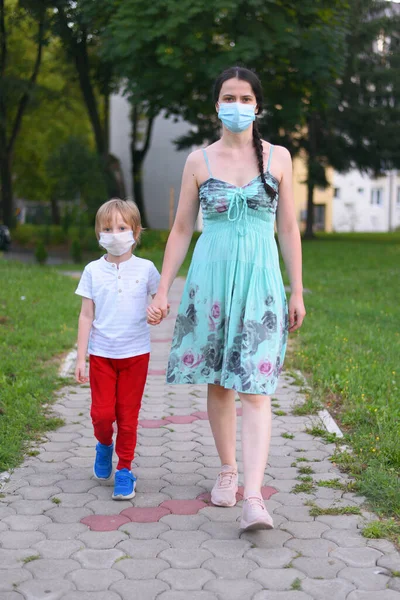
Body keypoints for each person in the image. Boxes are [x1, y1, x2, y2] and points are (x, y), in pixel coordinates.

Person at [147, 66, 306, 531]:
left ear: (258, 105)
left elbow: (289, 228)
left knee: (256, 390)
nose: (236, 105)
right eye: (227, 97)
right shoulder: (200, 161)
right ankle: (227, 470)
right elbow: (180, 230)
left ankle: (255, 496)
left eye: (244, 98)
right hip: (211, 282)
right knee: (219, 383)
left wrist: (296, 288)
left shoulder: (279, 157)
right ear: (216, 104)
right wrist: (162, 288)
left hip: (259, 283)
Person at [75, 198, 161, 500]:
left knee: (127, 415)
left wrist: (158, 312)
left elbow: (160, 304)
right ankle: (103, 445)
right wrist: (80, 357)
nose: (114, 233)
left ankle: (124, 469)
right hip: (101, 355)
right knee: (101, 414)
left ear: (135, 232)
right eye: (107, 228)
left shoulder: (147, 269)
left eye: (121, 227)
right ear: (99, 233)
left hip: (136, 355)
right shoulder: (92, 271)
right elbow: (86, 315)